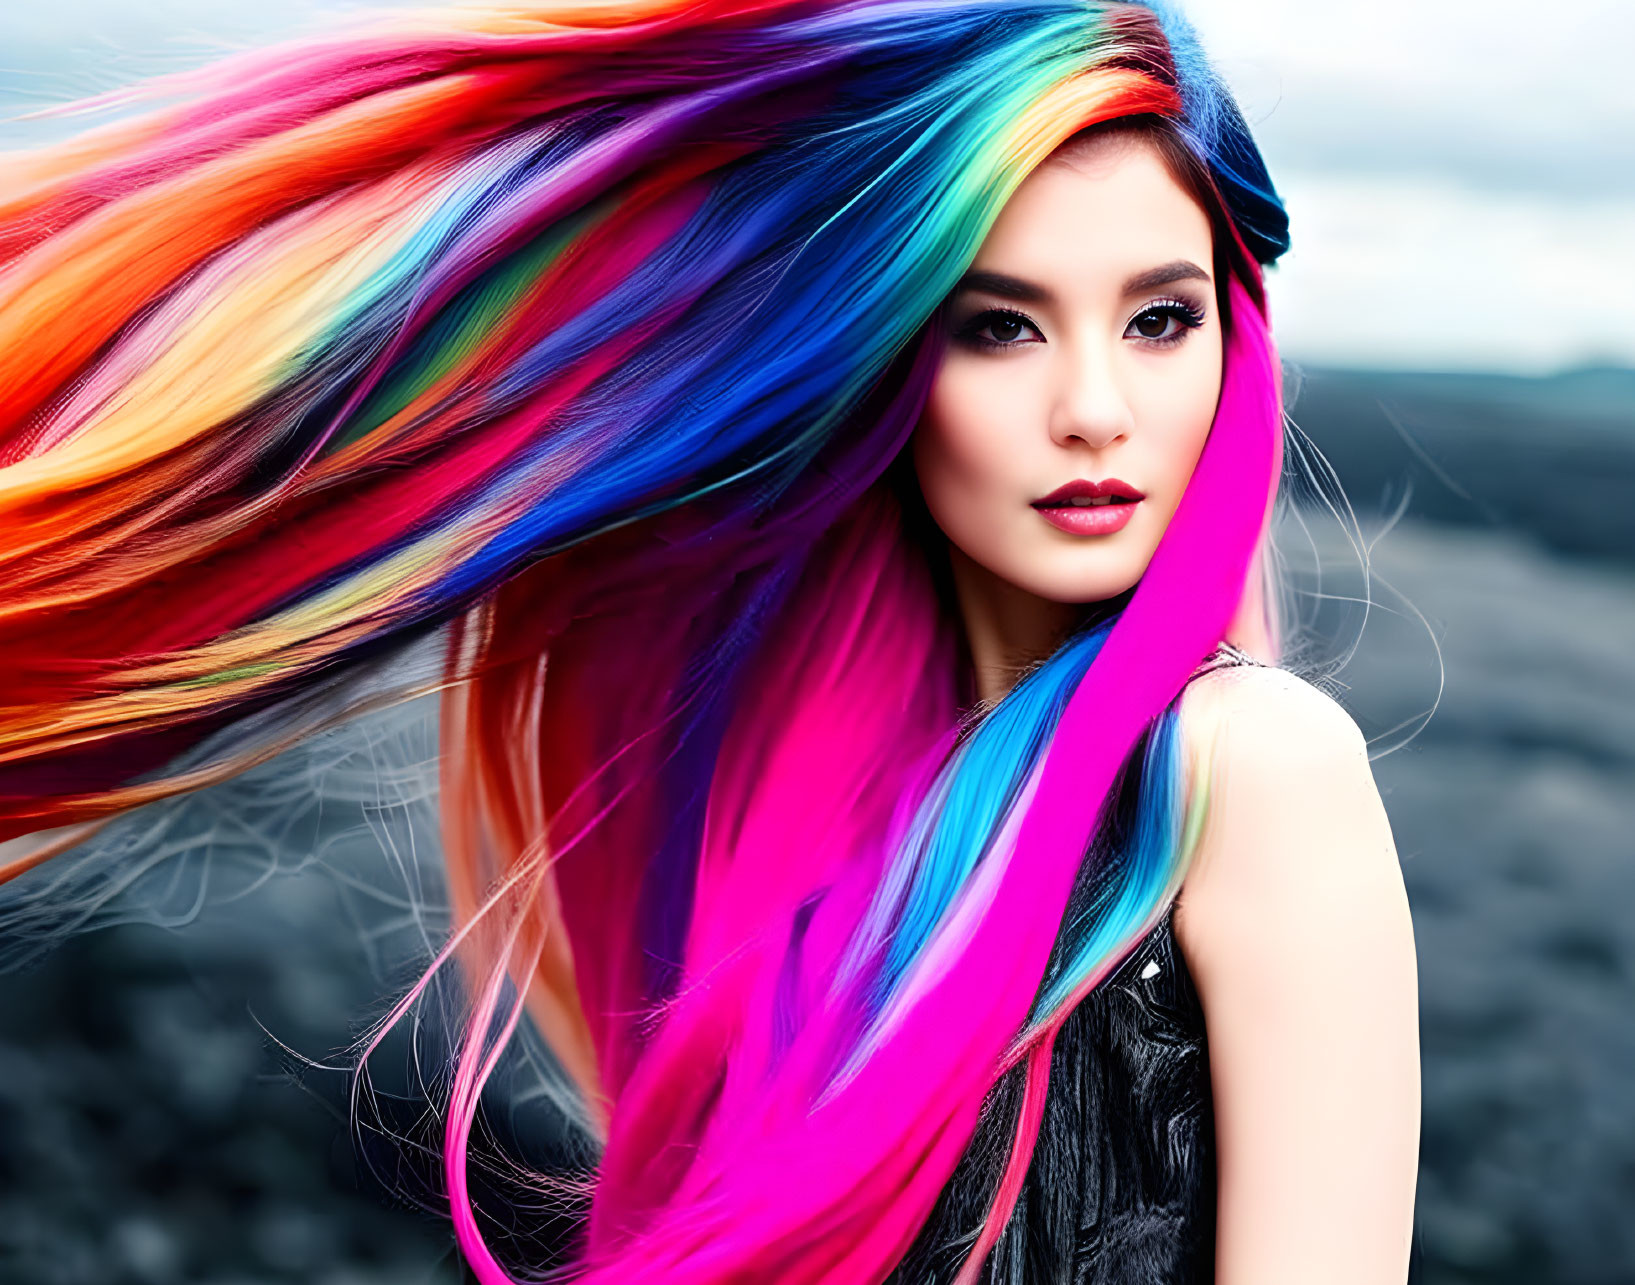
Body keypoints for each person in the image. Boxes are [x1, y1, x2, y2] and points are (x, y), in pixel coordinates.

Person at [0, 0, 1420, 1281]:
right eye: (1000, 328)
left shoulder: (1254, 768)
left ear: (1235, 338)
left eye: (1161, 318)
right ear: (882, 356)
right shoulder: (855, 825)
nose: (1098, 409)